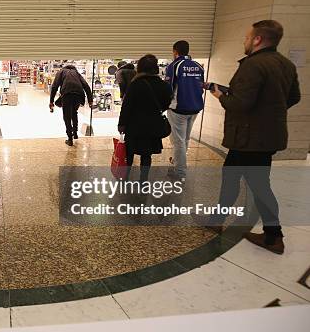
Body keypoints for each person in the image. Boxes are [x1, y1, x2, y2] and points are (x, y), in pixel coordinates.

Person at [208, 20, 300, 255]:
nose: (245, 41)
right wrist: (267, 114)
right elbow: (293, 97)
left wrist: (220, 95)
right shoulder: (286, 64)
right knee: (237, 179)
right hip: (265, 137)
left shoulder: (253, 65)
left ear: (258, 39)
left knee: (257, 186)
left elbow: (239, 103)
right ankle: (218, 220)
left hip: (248, 139)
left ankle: (273, 236)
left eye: (248, 37)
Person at [118, 54, 173, 183]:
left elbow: (127, 106)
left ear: (140, 68)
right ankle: (143, 180)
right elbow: (167, 103)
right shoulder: (163, 85)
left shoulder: (135, 84)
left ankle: (125, 178)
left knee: (129, 153)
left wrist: (122, 124)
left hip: (134, 125)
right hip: (153, 125)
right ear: (156, 68)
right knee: (146, 154)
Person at [164, 40, 205, 179]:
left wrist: (164, 104)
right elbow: (201, 87)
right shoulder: (198, 66)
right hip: (195, 108)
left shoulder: (174, 66)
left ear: (175, 51)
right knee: (185, 139)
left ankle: (180, 171)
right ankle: (177, 162)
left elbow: (168, 88)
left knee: (178, 141)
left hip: (178, 109)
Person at [49, 63, 93, 146]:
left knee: (67, 116)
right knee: (74, 112)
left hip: (67, 94)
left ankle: (70, 138)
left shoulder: (61, 72)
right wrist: (90, 100)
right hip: (78, 95)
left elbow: (55, 86)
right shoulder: (76, 73)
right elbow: (86, 86)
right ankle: (75, 133)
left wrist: (51, 101)